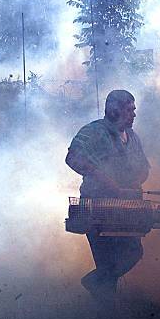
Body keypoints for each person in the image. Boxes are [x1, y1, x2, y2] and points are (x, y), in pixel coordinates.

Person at [65, 90, 150, 300]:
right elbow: (72, 158)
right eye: (129, 110)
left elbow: (143, 167)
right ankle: (105, 317)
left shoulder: (132, 137)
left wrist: (136, 180)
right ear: (114, 110)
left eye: (133, 110)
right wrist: (102, 177)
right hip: (96, 206)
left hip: (127, 208)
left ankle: (96, 284)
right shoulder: (93, 131)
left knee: (133, 252)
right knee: (105, 261)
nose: (133, 114)